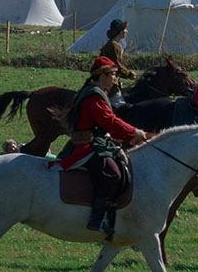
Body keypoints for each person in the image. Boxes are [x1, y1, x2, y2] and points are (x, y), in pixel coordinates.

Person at [58, 57, 149, 233]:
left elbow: (106, 124)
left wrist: (127, 136)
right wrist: (133, 132)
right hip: (87, 146)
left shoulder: (96, 92)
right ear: (103, 76)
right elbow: (109, 121)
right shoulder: (94, 95)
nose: (115, 78)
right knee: (112, 174)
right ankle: (96, 219)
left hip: (96, 141)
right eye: (113, 75)